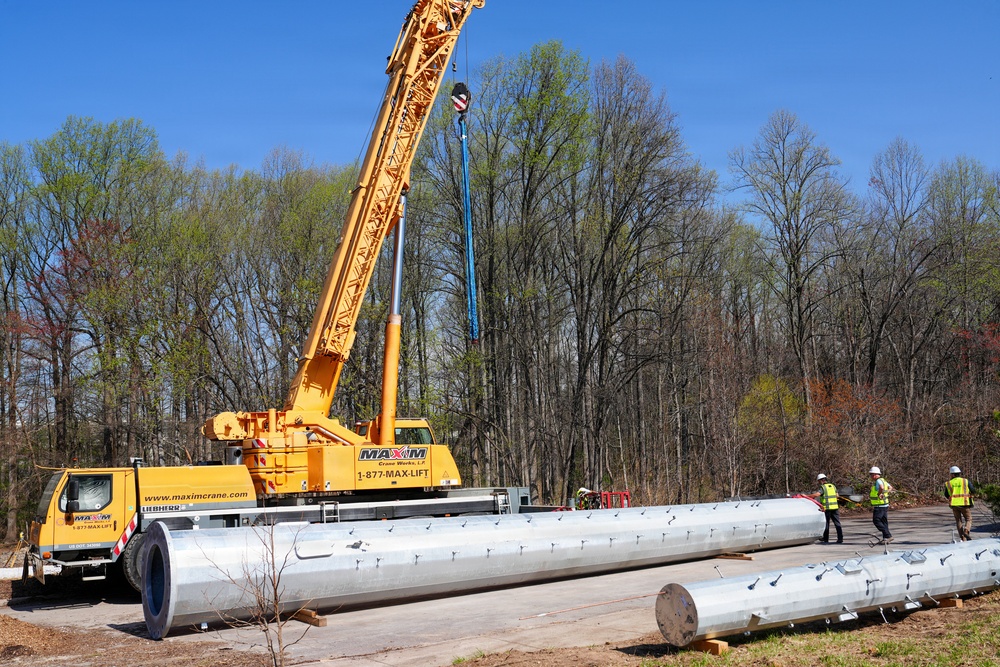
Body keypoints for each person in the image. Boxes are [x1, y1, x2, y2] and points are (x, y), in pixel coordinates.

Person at [809, 473, 843, 543]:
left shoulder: (823, 488)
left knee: (826, 524)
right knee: (837, 523)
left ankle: (825, 538)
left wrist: (807, 496)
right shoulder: (833, 486)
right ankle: (840, 538)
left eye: (818, 481)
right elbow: (837, 496)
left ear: (821, 480)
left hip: (827, 509)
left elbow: (816, 495)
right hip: (835, 508)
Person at [944, 465, 975, 541]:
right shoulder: (965, 481)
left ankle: (962, 538)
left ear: (952, 474)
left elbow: (946, 494)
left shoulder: (949, 483)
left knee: (958, 520)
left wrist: (952, 497)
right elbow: (973, 490)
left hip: (954, 505)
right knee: (969, 519)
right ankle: (966, 531)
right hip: (965, 504)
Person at [868, 466, 893, 544]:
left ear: (875, 474)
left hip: (879, 505)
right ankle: (886, 538)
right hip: (885, 504)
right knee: (884, 521)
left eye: (871, 474)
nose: (871, 476)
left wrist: (879, 493)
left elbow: (881, 488)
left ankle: (888, 535)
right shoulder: (883, 480)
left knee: (876, 520)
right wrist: (885, 494)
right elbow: (890, 487)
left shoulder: (878, 481)